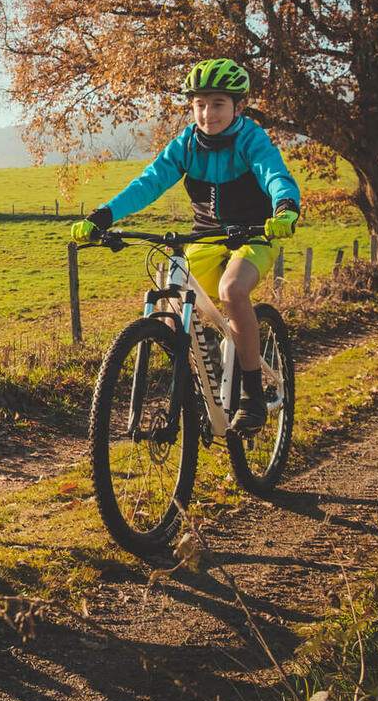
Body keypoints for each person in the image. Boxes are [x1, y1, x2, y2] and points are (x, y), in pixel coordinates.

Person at [71, 58, 301, 433]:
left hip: (256, 234)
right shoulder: (186, 144)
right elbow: (149, 183)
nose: (207, 113)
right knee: (178, 302)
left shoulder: (250, 139)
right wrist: (104, 217)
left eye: (218, 104)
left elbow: (274, 175)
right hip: (206, 237)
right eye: (199, 104)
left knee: (231, 290)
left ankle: (252, 396)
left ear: (238, 106)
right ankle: (201, 382)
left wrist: (285, 207)